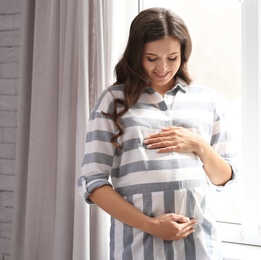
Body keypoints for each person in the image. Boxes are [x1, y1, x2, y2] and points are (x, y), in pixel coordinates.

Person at [77, 7, 239, 260]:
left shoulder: (207, 100)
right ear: (136, 55)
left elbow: (224, 178)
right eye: (151, 58)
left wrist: (199, 146)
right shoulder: (115, 100)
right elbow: (93, 183)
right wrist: (151, 225)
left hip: (200, 245)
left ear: (183, 55)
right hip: (137, 245)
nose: (162, 68)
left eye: (172, 58)